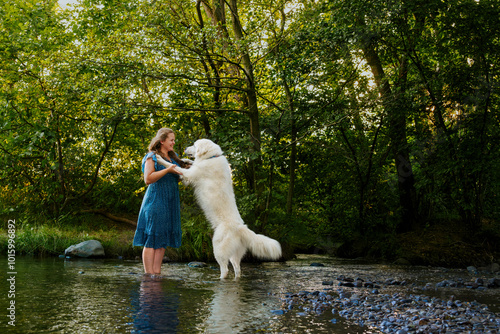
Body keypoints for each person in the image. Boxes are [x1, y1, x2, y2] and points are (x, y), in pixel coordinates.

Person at [133, 128, 189, 276]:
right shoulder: (152, 156)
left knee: (162, 236)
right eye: (171, 139)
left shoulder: (173, 157)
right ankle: (148, 275)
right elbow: (148, 179)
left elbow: (181, 176)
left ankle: (156, 274)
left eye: (174, 140)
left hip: (170, 201)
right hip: (156, 200)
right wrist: (167, 170)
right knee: (152, 237)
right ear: (162, 141)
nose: (173, 142)